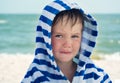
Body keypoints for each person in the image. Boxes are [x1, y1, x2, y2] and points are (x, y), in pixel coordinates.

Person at [21, 0, 112, 83]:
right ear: (46, 37)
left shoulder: (95, 75)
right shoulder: (36, 74)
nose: (68, 44)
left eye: (74, 36)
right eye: (59, 36)